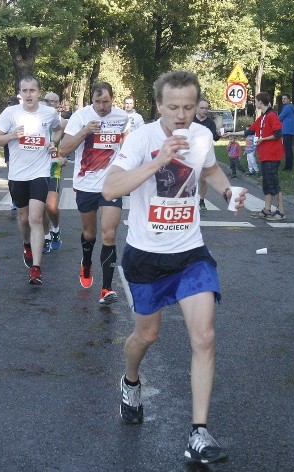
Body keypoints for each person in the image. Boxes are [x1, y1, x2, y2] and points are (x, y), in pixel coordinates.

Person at [103, 69, 246, 465]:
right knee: (146, 337)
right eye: (173, 107)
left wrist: (228, 190)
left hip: (190, 254)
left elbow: (209, 169)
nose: (181, 115)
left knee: (204, 338)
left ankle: (199, 432)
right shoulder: (141, 138)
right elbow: (110, 188)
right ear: (159, 105)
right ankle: (130, 382)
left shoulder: (201, 135)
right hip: (146, 255)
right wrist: (158, 160)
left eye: (188, 107)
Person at [59, 82, 129, 305]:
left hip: (111, 185)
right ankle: (86, 262)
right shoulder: (81, 116)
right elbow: (64, 148)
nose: (101, 106)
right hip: (85, 184)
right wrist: (85, 131)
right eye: (97, 101)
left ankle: (106, 289)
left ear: (113, 98)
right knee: (90, 234)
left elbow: (126, 142)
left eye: (105, 101)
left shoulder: (122, 117)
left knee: (109, 234)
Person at [0, 77, 62, 286]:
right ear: (20, 93)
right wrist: (12, 135)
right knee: (23, 219)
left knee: (36, 218)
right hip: (17, 174)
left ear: (39, 92)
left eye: (32, 90)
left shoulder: (49, 113)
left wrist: (52, 142)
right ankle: (27, 243)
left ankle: (36, 269)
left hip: (40, 172)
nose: (29, 95)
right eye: (25, 91)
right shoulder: (10, 113)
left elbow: (58, 129)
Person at [244, 93, 286, 221]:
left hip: (272, 155)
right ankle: (267, 209)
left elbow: (278, 133)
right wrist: (230, 133)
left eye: (256, 101)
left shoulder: (271, 115)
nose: (255, 103)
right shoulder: (262, 117)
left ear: (260, 102)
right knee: (267, 183)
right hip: (265, 155)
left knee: (273, 183)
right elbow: (249, 131)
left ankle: (281, 211)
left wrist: (263, 139)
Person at [41, 92, 66, 252]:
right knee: (40, 207)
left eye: (53, 101)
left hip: (53, 168)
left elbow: (69, 143)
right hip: (36, 170)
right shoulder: (38, 120)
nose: (50, 103)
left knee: (51, 206)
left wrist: (63, 156)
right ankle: (46, 236)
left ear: (59, 104)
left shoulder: (63, 123)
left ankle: (55, 229)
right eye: (47, 100)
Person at [193, 100, 220, 212]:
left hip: (205, 154)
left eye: (206, 108)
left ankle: (202, 200)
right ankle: (188, 199)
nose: (204, 110)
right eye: (202, 108)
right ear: (196, 108)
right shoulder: (190, 121)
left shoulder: (210, 123)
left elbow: (215, 137)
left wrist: (218, 135)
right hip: (190, 154)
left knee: (203, 179)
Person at [278, 94, 294, 172]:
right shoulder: (292, 107)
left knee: (287, 149)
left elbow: (280, 118)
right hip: (291, 130)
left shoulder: (287, 107)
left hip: (286, 130)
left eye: (285, 98)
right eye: (283, 99)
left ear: (289, 99)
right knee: (289, 148)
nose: (283, 100)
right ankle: (289, 165)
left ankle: (288, 167)